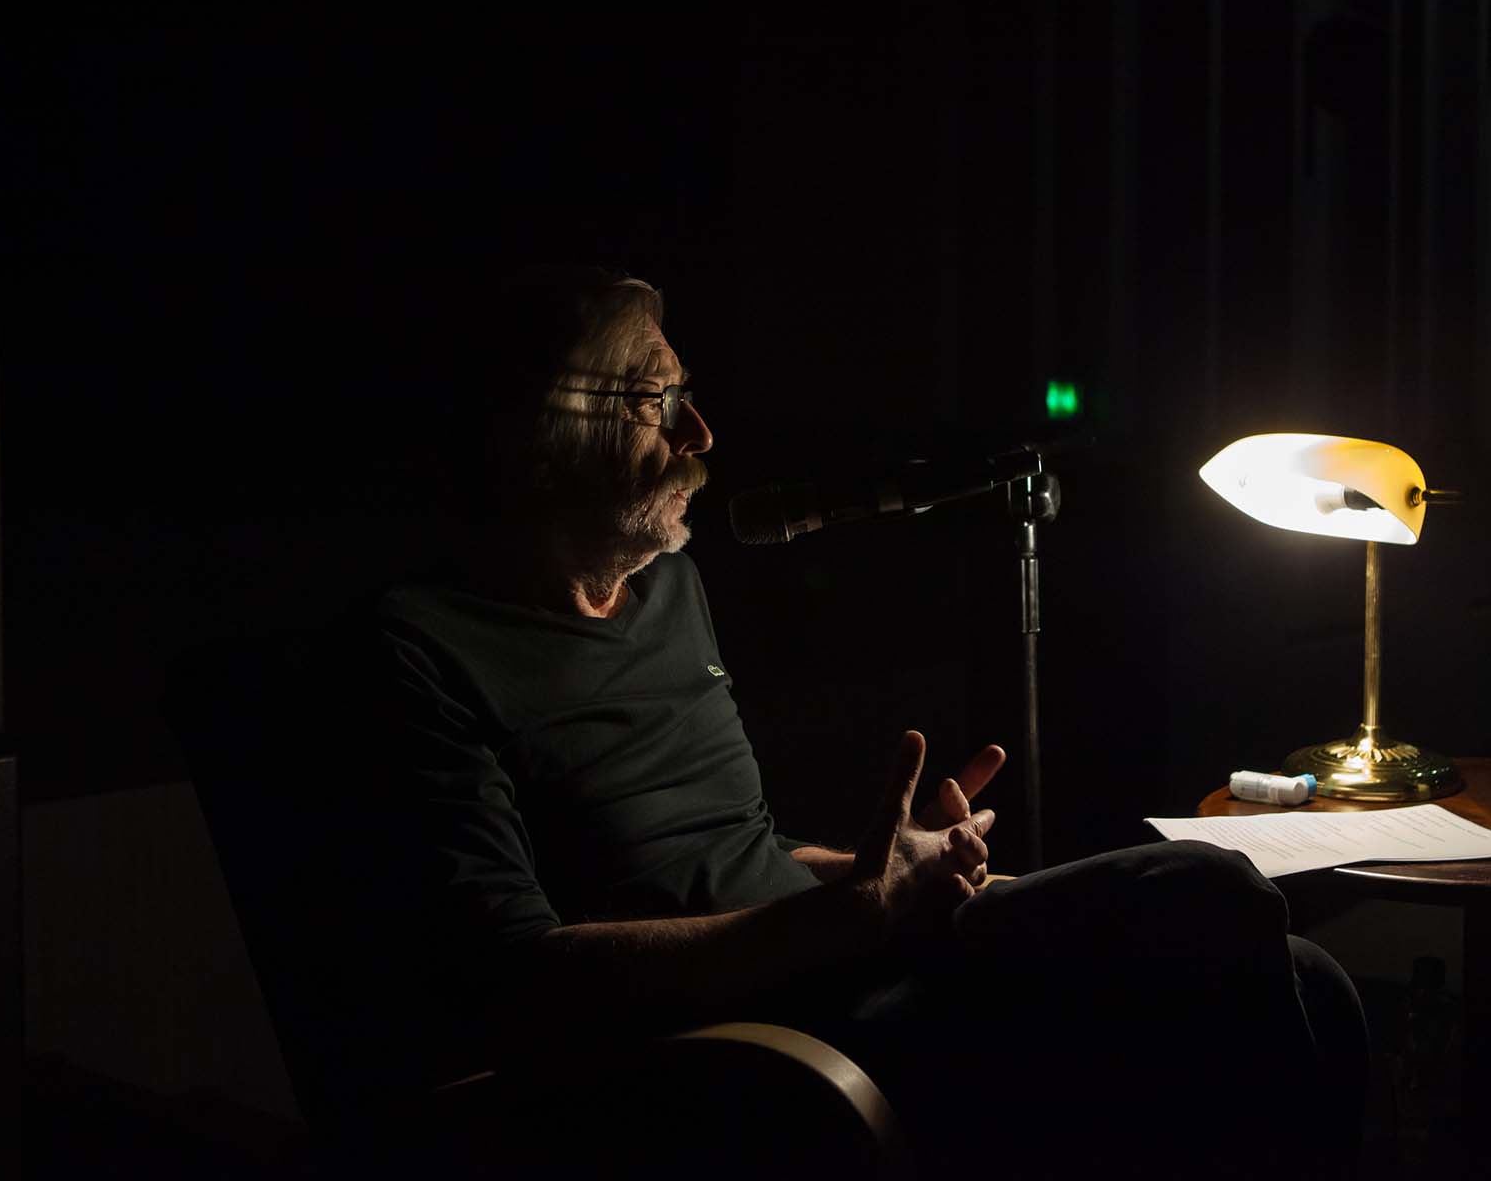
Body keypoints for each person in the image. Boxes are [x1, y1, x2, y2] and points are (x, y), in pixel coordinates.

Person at [363, 266, 1368, 1178]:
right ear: (544, 428)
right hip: (732, 1050)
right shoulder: (421, 648)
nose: (698, 433)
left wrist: (891, 872)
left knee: (1310, 979)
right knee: (1205, 888)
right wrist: (842, 920)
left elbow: (739, 850)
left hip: (842, 957)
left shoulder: (668, 591)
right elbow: (516, 978)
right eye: (655, 401)